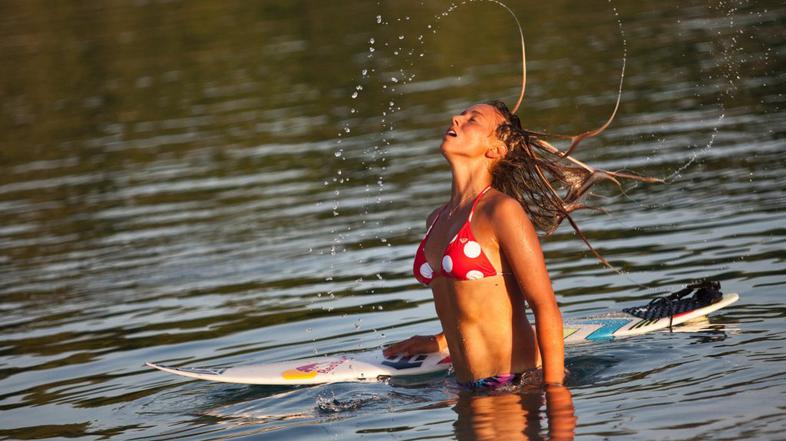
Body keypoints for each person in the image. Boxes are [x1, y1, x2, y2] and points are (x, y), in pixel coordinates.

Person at [383, 100, 656, 390]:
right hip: (466, 387)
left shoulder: (501, 211)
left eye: (472, 119)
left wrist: (556, 397)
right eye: (461, 114)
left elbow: (545, 306)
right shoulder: (435, 219)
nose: (455, 118)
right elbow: (474, 304)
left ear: (496, 149)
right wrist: (438, 340)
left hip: (513, 383)